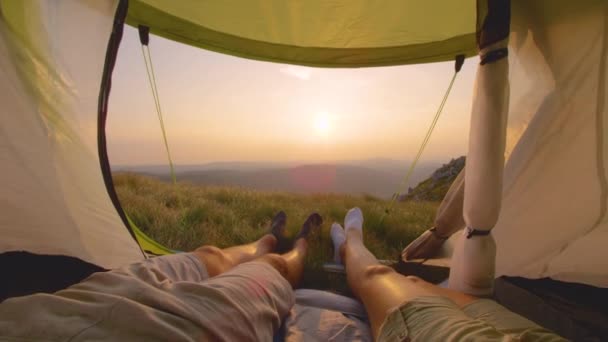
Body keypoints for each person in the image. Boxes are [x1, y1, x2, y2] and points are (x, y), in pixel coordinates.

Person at [0, 209, 564, 341]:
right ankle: (318, 246)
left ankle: (271, 237)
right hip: (174, 325)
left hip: (75, 301)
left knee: (207, 254)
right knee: (399, 284)